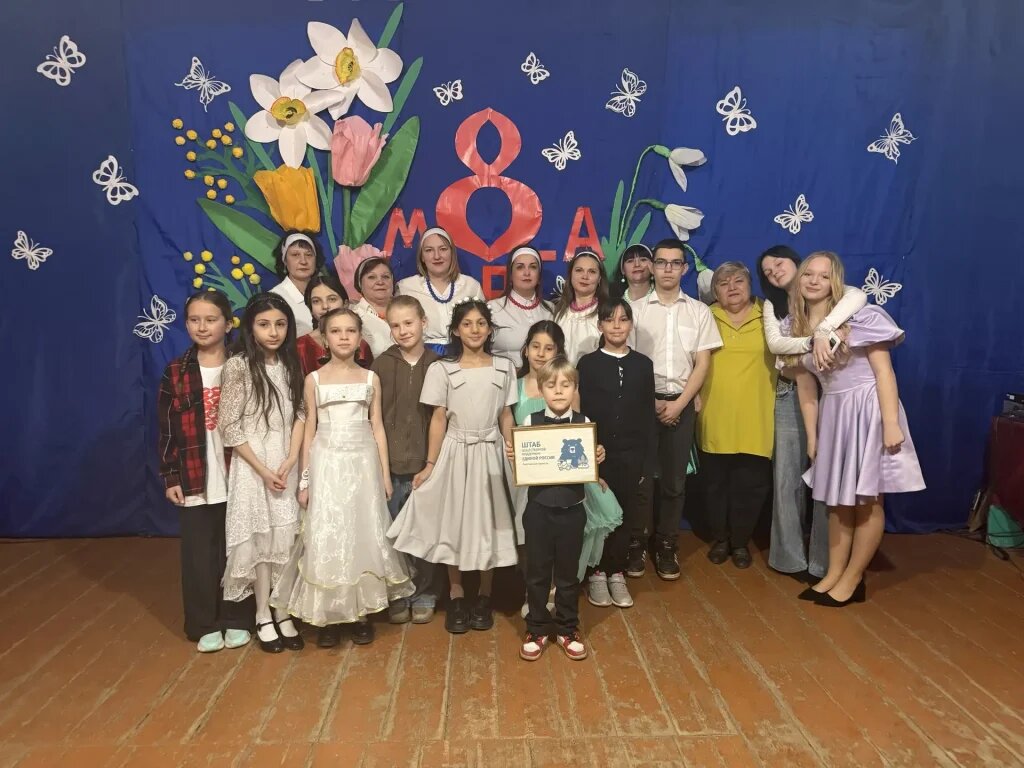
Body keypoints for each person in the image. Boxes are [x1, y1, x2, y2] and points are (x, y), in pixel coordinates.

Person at [786, 251, 925, 606]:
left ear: (835, 282)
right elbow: (806, 389)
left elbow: (884, 372)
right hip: (834, 413)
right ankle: (834, 573)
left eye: (823, 275)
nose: (814, 281)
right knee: (837, 502)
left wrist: (891, 423)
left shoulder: (862, 317)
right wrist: (814, 436)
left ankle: (853, 577)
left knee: (867, 500)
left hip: (868, 409)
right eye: (808, 274)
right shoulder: (793, 327)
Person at [272, 308, 413, 647]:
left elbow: (377, 427)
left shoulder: (370, 378)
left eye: (351, 330)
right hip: (327, 464)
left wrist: (384, 474)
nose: (344, 337)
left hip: (363, 464)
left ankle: (360, 612)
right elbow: (309, 431)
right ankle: (329, 615)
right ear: (324, 337)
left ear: (360, 336)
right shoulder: (314, 379)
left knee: (361, 533)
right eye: (336, 331)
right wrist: (305, 480)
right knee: (329, 534)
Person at [387, 299, 518, 634]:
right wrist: (430, 464)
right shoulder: (442, 369)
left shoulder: (505, 367)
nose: (474, 330)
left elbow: (506, 415)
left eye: (481, 323)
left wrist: (514, 452)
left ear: (489, 328)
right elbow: (438, 418)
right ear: (456, 330)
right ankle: (456, 595)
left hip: (491, 453)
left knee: (489, 523)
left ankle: (484, 595)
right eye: (467, 324)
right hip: (456, 452)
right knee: (453, 523)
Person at [758, 245, 866, 581]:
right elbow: (778, 348)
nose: (774, 272)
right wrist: (815, 342)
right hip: (794, 392)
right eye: (767, 271)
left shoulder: (840, 299)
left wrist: (823, 331)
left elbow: (858, 295)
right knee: (787, 476)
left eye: (779, 263)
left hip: (836, 395)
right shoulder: (776, 306)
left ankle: (825, 562)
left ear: (798, 263)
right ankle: (788, 558)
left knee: (828, 478)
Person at [158, 289, 254, 653]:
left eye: (211, 319)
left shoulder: (244, 364)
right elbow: (166, 429)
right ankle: (204, 622)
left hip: (239, 473)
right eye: (194, 320)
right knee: (199, 554)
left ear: (228, 324)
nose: (202, 327)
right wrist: (171, 476)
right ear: (186, 325)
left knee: (238, 550)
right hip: (196, 475)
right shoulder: (176, 371)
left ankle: (238, 618)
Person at [509, 320, 622, 616]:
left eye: (549, 348)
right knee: (532, 539)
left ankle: (558, 593)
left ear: (558, 352)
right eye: (536, 346)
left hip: (566, 479)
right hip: (530, 479)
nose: (541, 353)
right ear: (525, 350)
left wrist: (593, 465)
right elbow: (511, 431)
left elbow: (579, 433)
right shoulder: (515, 386)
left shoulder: (569, 389)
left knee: (567, 541)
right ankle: (534, 593)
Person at [630, 238, 723, 579]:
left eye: (675, 263)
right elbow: (631, 360)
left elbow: (702, 364)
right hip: (643, 403)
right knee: (641, 480)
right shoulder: (636, 311)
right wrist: (652, 401)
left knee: (674, 482)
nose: (668, 269)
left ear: (685, 269)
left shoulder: (699, 311)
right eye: (661, 262)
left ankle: (667, 543)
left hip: (682, 402)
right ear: (651, 267)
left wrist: (680, 404)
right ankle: (637, 542)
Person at [220, 293, 305, 653]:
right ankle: (261, 615)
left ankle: (282, 610)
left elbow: (301, 413)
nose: (273, 332)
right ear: (250, 328)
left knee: (285, 541)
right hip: (254, 467)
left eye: (280, 324)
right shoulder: (238, 366)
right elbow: (229, 426)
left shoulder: (290, 364)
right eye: (264, 324)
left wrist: (291, 458)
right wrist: (262, 469)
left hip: (285, 463)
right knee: (260, 542)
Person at [509, 356, 605, 662]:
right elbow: (522, 467)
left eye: (566, 385)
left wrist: (597, 455)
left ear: (575, 388)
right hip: (538, 511)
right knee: (537, 572)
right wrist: (515, 456)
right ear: (541, 390)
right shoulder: (529, 423)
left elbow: (588, 464)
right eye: (551, 385)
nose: (559, 391)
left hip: (572, 511)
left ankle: (567, 628)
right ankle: (536, 628)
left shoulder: (585, 424)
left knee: (568, 575)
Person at [697, 262, 776, 569]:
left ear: (750, 284)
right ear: (714, 292)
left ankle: (741, 542)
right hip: (714, 413)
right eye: (723, 283)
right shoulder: (705, 316)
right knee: (714, 484)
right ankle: (721, 538)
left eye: (738, 281)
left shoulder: (769, 314)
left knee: (752, 485)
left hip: (757, 415)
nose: (732, 287)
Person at [577, 299, 655, 608]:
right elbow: (582, 413)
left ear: (631, 324)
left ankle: (617, 571)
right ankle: (597, 572)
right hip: (599, 455)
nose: (617, 325)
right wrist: (588, 455)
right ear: (600, 326)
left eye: (623, 319)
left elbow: (647, 414)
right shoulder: (588, 364)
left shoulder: (643, 365)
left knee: (625, 514)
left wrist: (646, 462)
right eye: (610, 320)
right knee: (600, 513)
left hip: (632, 454)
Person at [371, 295, 442, 625]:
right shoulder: (381, 365)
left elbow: (442, 418)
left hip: (427, 465)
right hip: (392, 466)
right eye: (395, 325)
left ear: (423, 322)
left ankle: (425, 591)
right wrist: (382, 468)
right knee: (395, 532)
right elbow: (374, 419)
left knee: (425, 531)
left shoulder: (438, 365)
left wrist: (433, 462)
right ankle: (399, 591)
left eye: (409, 323)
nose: (403, 330)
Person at [396, 227, 483, 355]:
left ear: (452, 253)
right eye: (429, 250)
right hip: (421, 357)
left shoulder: (471, 286)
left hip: (465, 355)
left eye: (443, 249)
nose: (437, 256)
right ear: (422, 257)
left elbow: (483, 326)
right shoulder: (406, 287)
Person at [488, 245, 553, 368]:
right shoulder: (493, 309)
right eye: (520, 267)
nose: (527, 273)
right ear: (510, 275)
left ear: (539, 276)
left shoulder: (551, 310)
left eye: (533, 267)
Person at [295, 272, 372, 375]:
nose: (325, 306)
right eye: (316, 301)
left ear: (345, 304)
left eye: (332, 299)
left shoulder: (360, 345)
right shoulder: (300, 346)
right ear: (310, 308)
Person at [553, 250, 609, 365]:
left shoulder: (607, 313)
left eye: (592, 272)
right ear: (570, 275)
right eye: (579, 270)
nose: (585, 276)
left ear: (599, 278)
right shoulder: (557, 311)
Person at [269, 231, 324, 336]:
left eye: (309, 255)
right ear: (285, 261)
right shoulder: (274, 299)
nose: (303, 261)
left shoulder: (327, 291)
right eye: (295, 255)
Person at [351, 257, 397, 358]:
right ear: (360, 283)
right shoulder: (353, 317)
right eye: (372, 277)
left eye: (385, 277)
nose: (380, 282)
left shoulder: (407, 309)